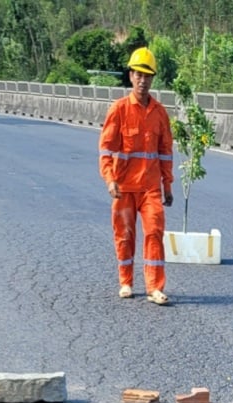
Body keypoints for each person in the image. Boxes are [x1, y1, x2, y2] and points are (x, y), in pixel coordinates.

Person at [98, 47, 174, 305]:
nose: (143, 80)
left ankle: (155, 287)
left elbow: (165, 152)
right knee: (124, 235)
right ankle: (126, 282)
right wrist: (109, 180)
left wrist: (168, 185)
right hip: (124, 187)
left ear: (153, 79)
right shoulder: (119, 110)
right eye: (138, 75)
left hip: (151, 187)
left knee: (154, 231)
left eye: (148, 75)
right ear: (130, 76)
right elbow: (106, 149)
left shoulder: (160, 113)